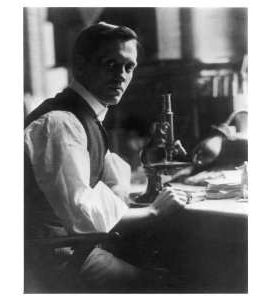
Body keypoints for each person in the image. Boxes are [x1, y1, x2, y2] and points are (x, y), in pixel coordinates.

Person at [24, 22, 188, 292]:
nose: (121, 76)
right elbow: (82, 213)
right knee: (167, 284)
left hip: (75, 248)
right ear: (81, 65)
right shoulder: (61, 122)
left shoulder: (86, 116)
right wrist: (154, 211)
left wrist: (148, 159)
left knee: (164, 259)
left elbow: (111, 184)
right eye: (110, 64)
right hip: (54, 259)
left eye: (129, 67)